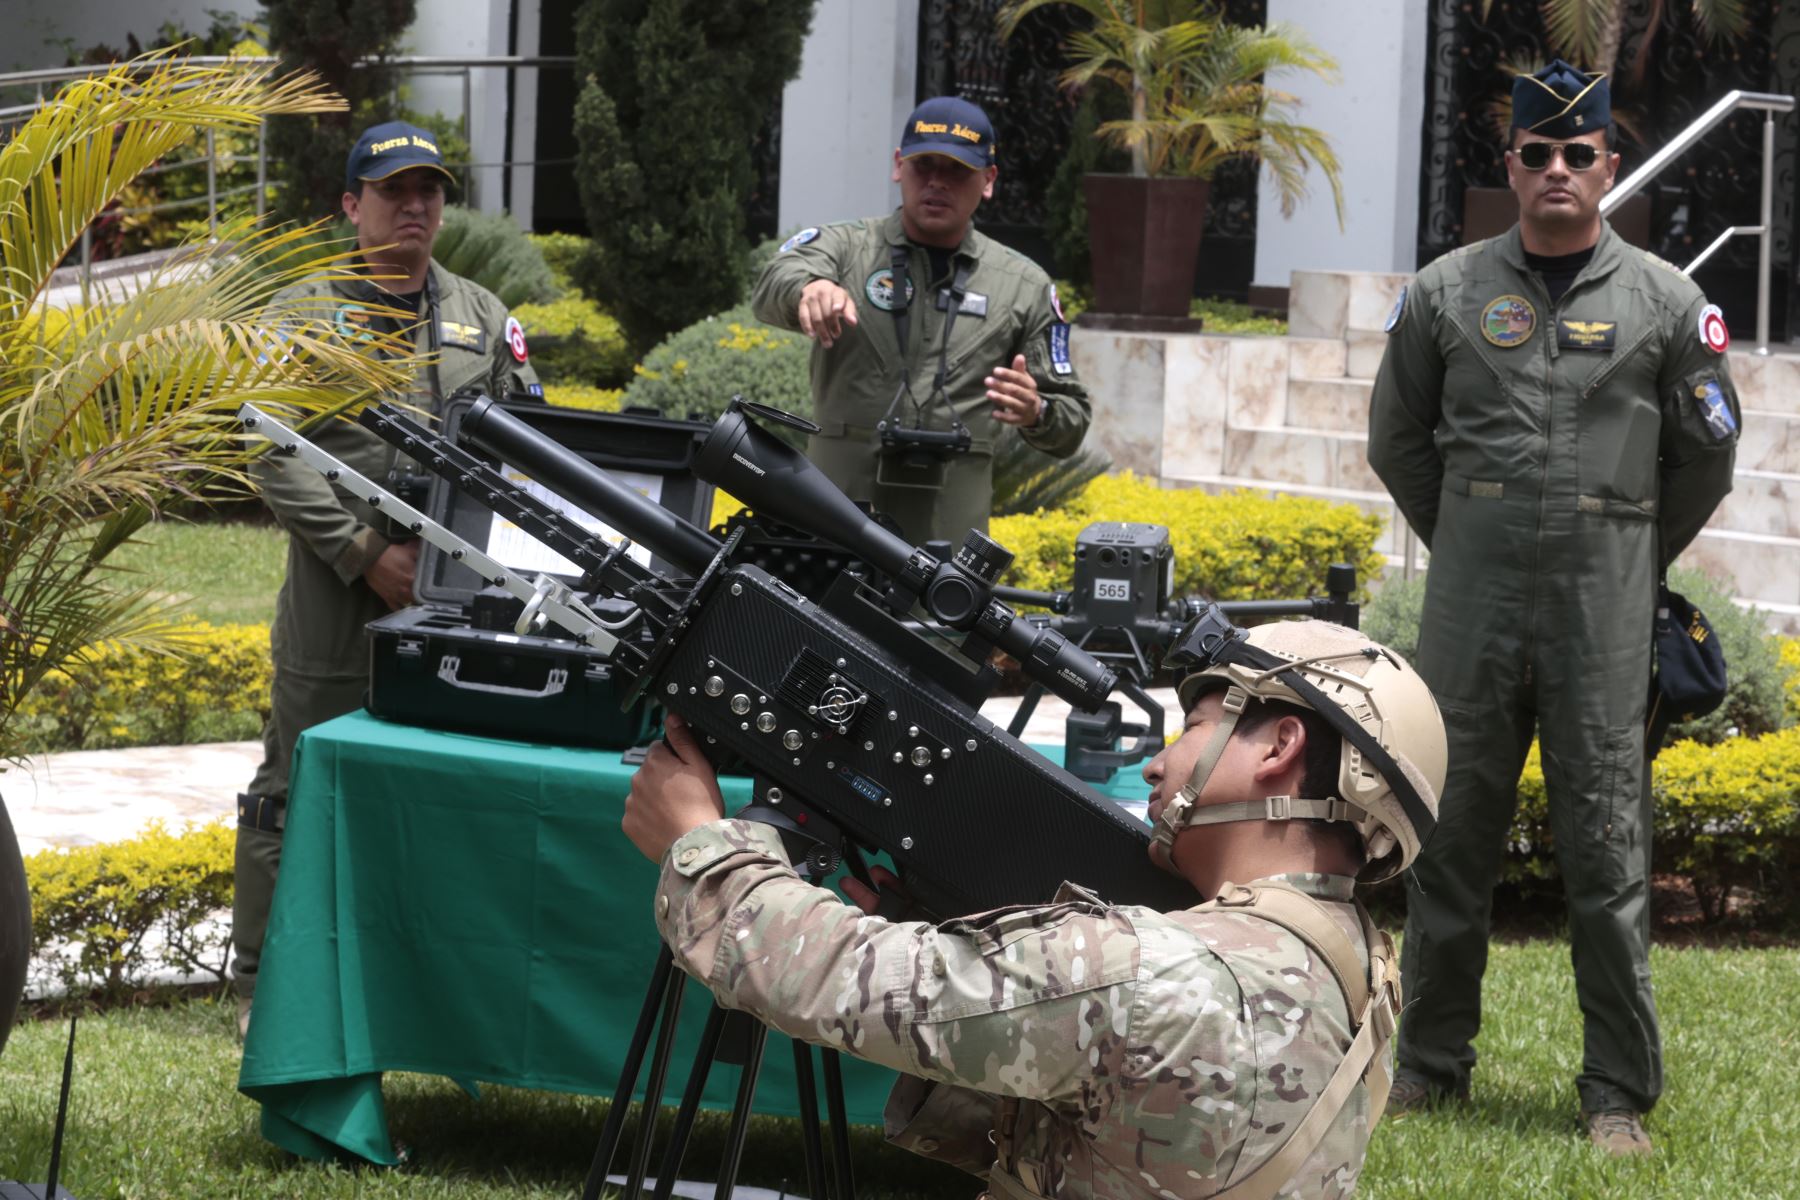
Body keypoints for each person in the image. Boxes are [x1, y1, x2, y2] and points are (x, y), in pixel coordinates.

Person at [624, 618, 1446, 1198]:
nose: (1160, 767)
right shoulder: (1353, 961)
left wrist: (699, 844)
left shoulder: (1146, 968)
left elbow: (837, 981)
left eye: (1196, 725)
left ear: (1278, 747)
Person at [1367, 60, 1741, 1155]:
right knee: (1448, 844)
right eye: (1540, 153)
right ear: (1513, 166)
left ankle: (1615, 1093)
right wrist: (1475, 538)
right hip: (1469, 612)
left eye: (1582, 154)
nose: (1561, 171)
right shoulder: (1443, 294)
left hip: (1603, 615)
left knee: (1608, 849)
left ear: (1610, 169)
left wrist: (1626, 547)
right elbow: (1397, 440)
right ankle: (1431, 1067)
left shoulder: (1668, 303)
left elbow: (1707, 457)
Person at [232, 122, 540, 1036]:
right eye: (394, 191)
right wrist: (367, 555)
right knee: (297, 781)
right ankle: (261, 984)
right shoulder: (301, 312)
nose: (414, 207)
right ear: (350, 205)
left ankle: (413, 982)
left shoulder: (484, 314)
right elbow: (267, 448)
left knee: (436, 781)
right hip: (335, 595)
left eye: (429, 192)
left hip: (459, 592)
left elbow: (532, 447)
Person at [751, 96, 1091, 548]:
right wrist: (808, 289)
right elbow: (774, 280)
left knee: (940, 620)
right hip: (833, 521)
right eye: (923, 165)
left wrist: (1036, 412)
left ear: (988, 180)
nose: (937, 182)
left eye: (957, 171)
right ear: (898, 166)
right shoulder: (847, 248)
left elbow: (1071, 419)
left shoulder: (1023, 285)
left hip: (947, 537)